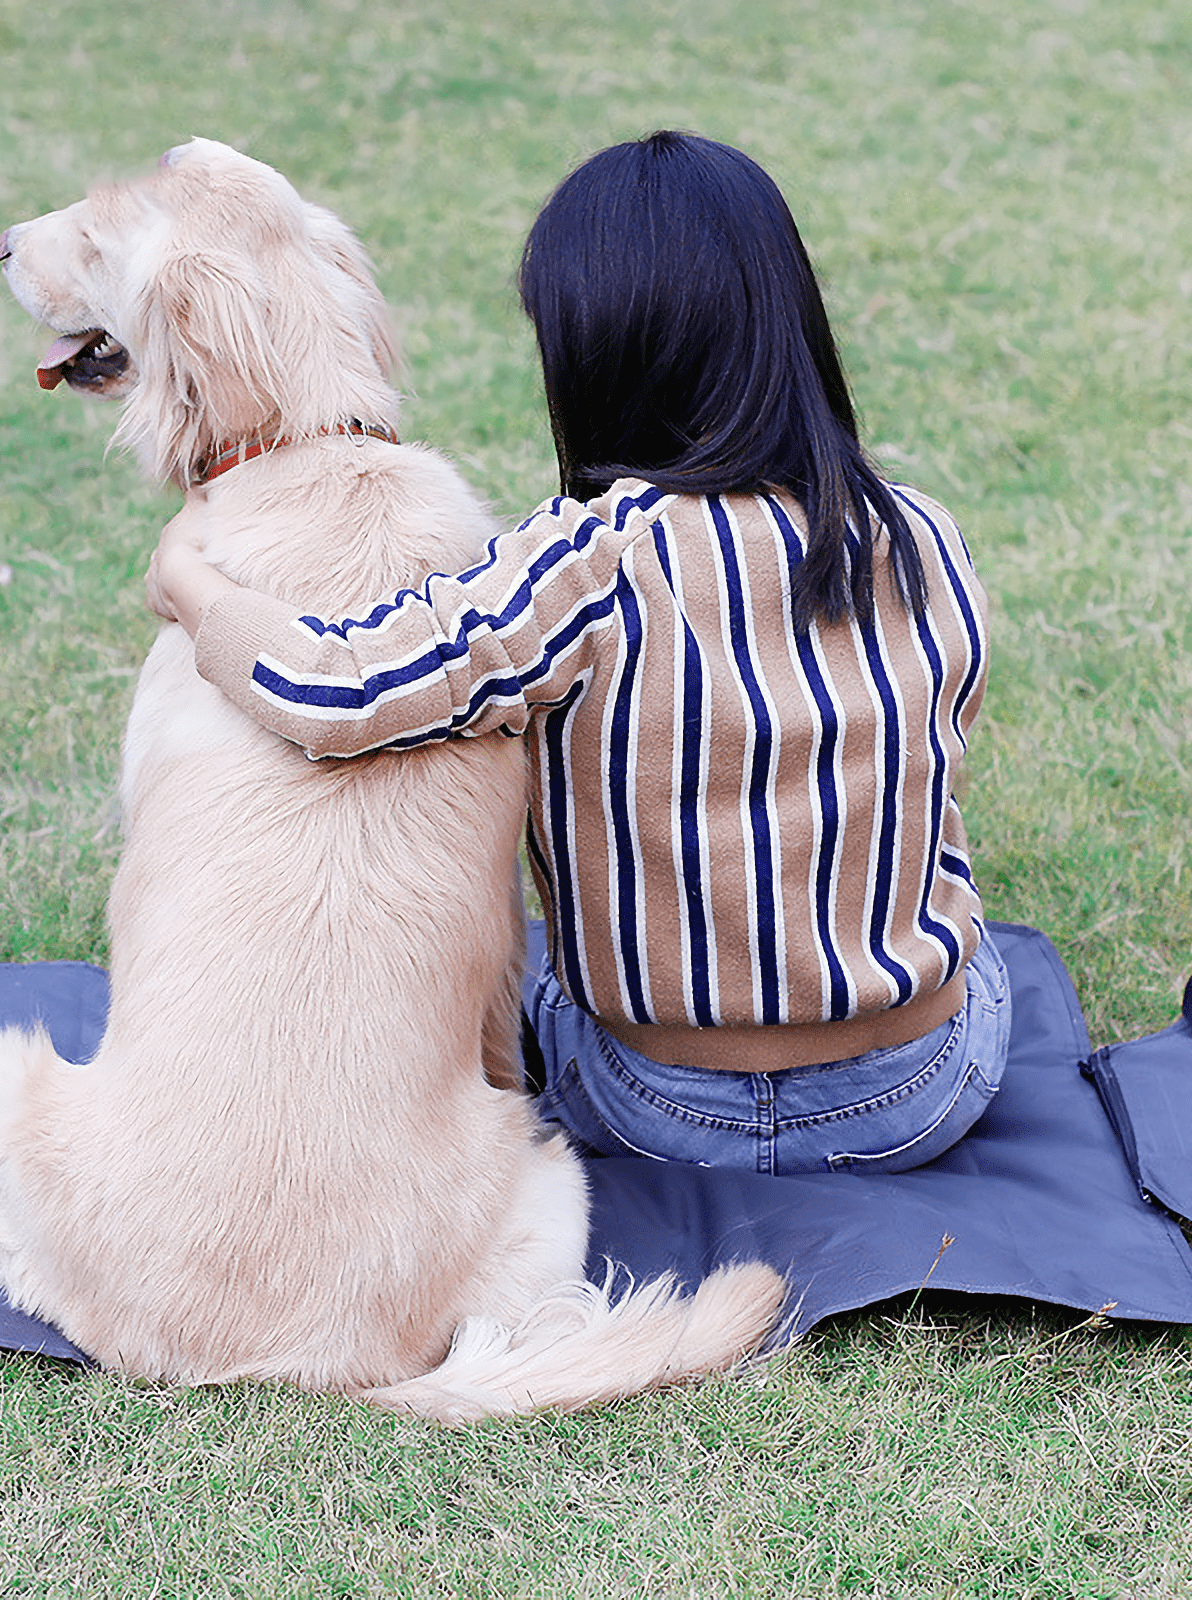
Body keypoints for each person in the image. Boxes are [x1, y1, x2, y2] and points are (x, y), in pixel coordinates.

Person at [146, 130, 1010, 1177]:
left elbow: (337, 686)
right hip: (913, 1097)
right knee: (979, 949)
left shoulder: (583, 565)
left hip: (662, 1107)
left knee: (546, 976)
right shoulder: (921, 536)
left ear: (596, 351)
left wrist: (193, 582)